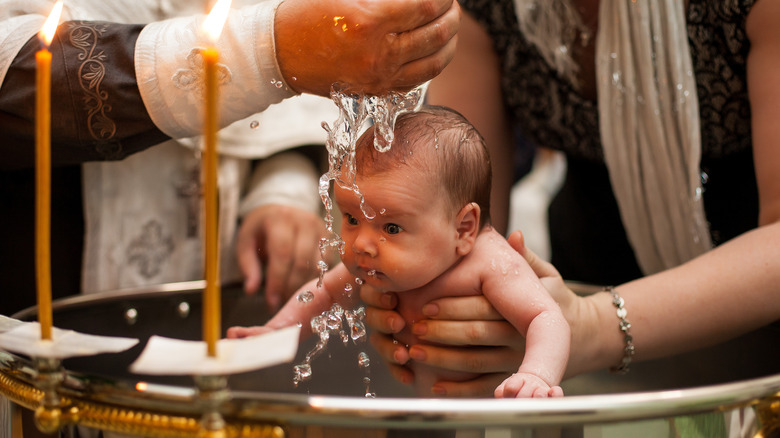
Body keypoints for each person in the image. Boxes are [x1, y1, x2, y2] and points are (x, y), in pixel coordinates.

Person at [361, 0, 780, 398]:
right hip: (589, 273)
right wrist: (421, 299)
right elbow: (452, 211)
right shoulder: (484, 8)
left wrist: (594, 326)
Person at [0, 0, 460, 315]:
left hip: (233, 291)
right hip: (36, 284)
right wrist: (268, 51)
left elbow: (304, 88)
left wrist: (283, 185)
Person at [228, 106, 570, 398]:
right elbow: (322, 293)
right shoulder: (371, 261)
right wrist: (276, 331)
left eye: (391, 228)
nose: (361, 243)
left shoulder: (490, 263)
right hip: (416, 409)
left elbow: (547, 317)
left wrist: (536, 376)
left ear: (464, 228)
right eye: (351, 218)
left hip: (488, 416)